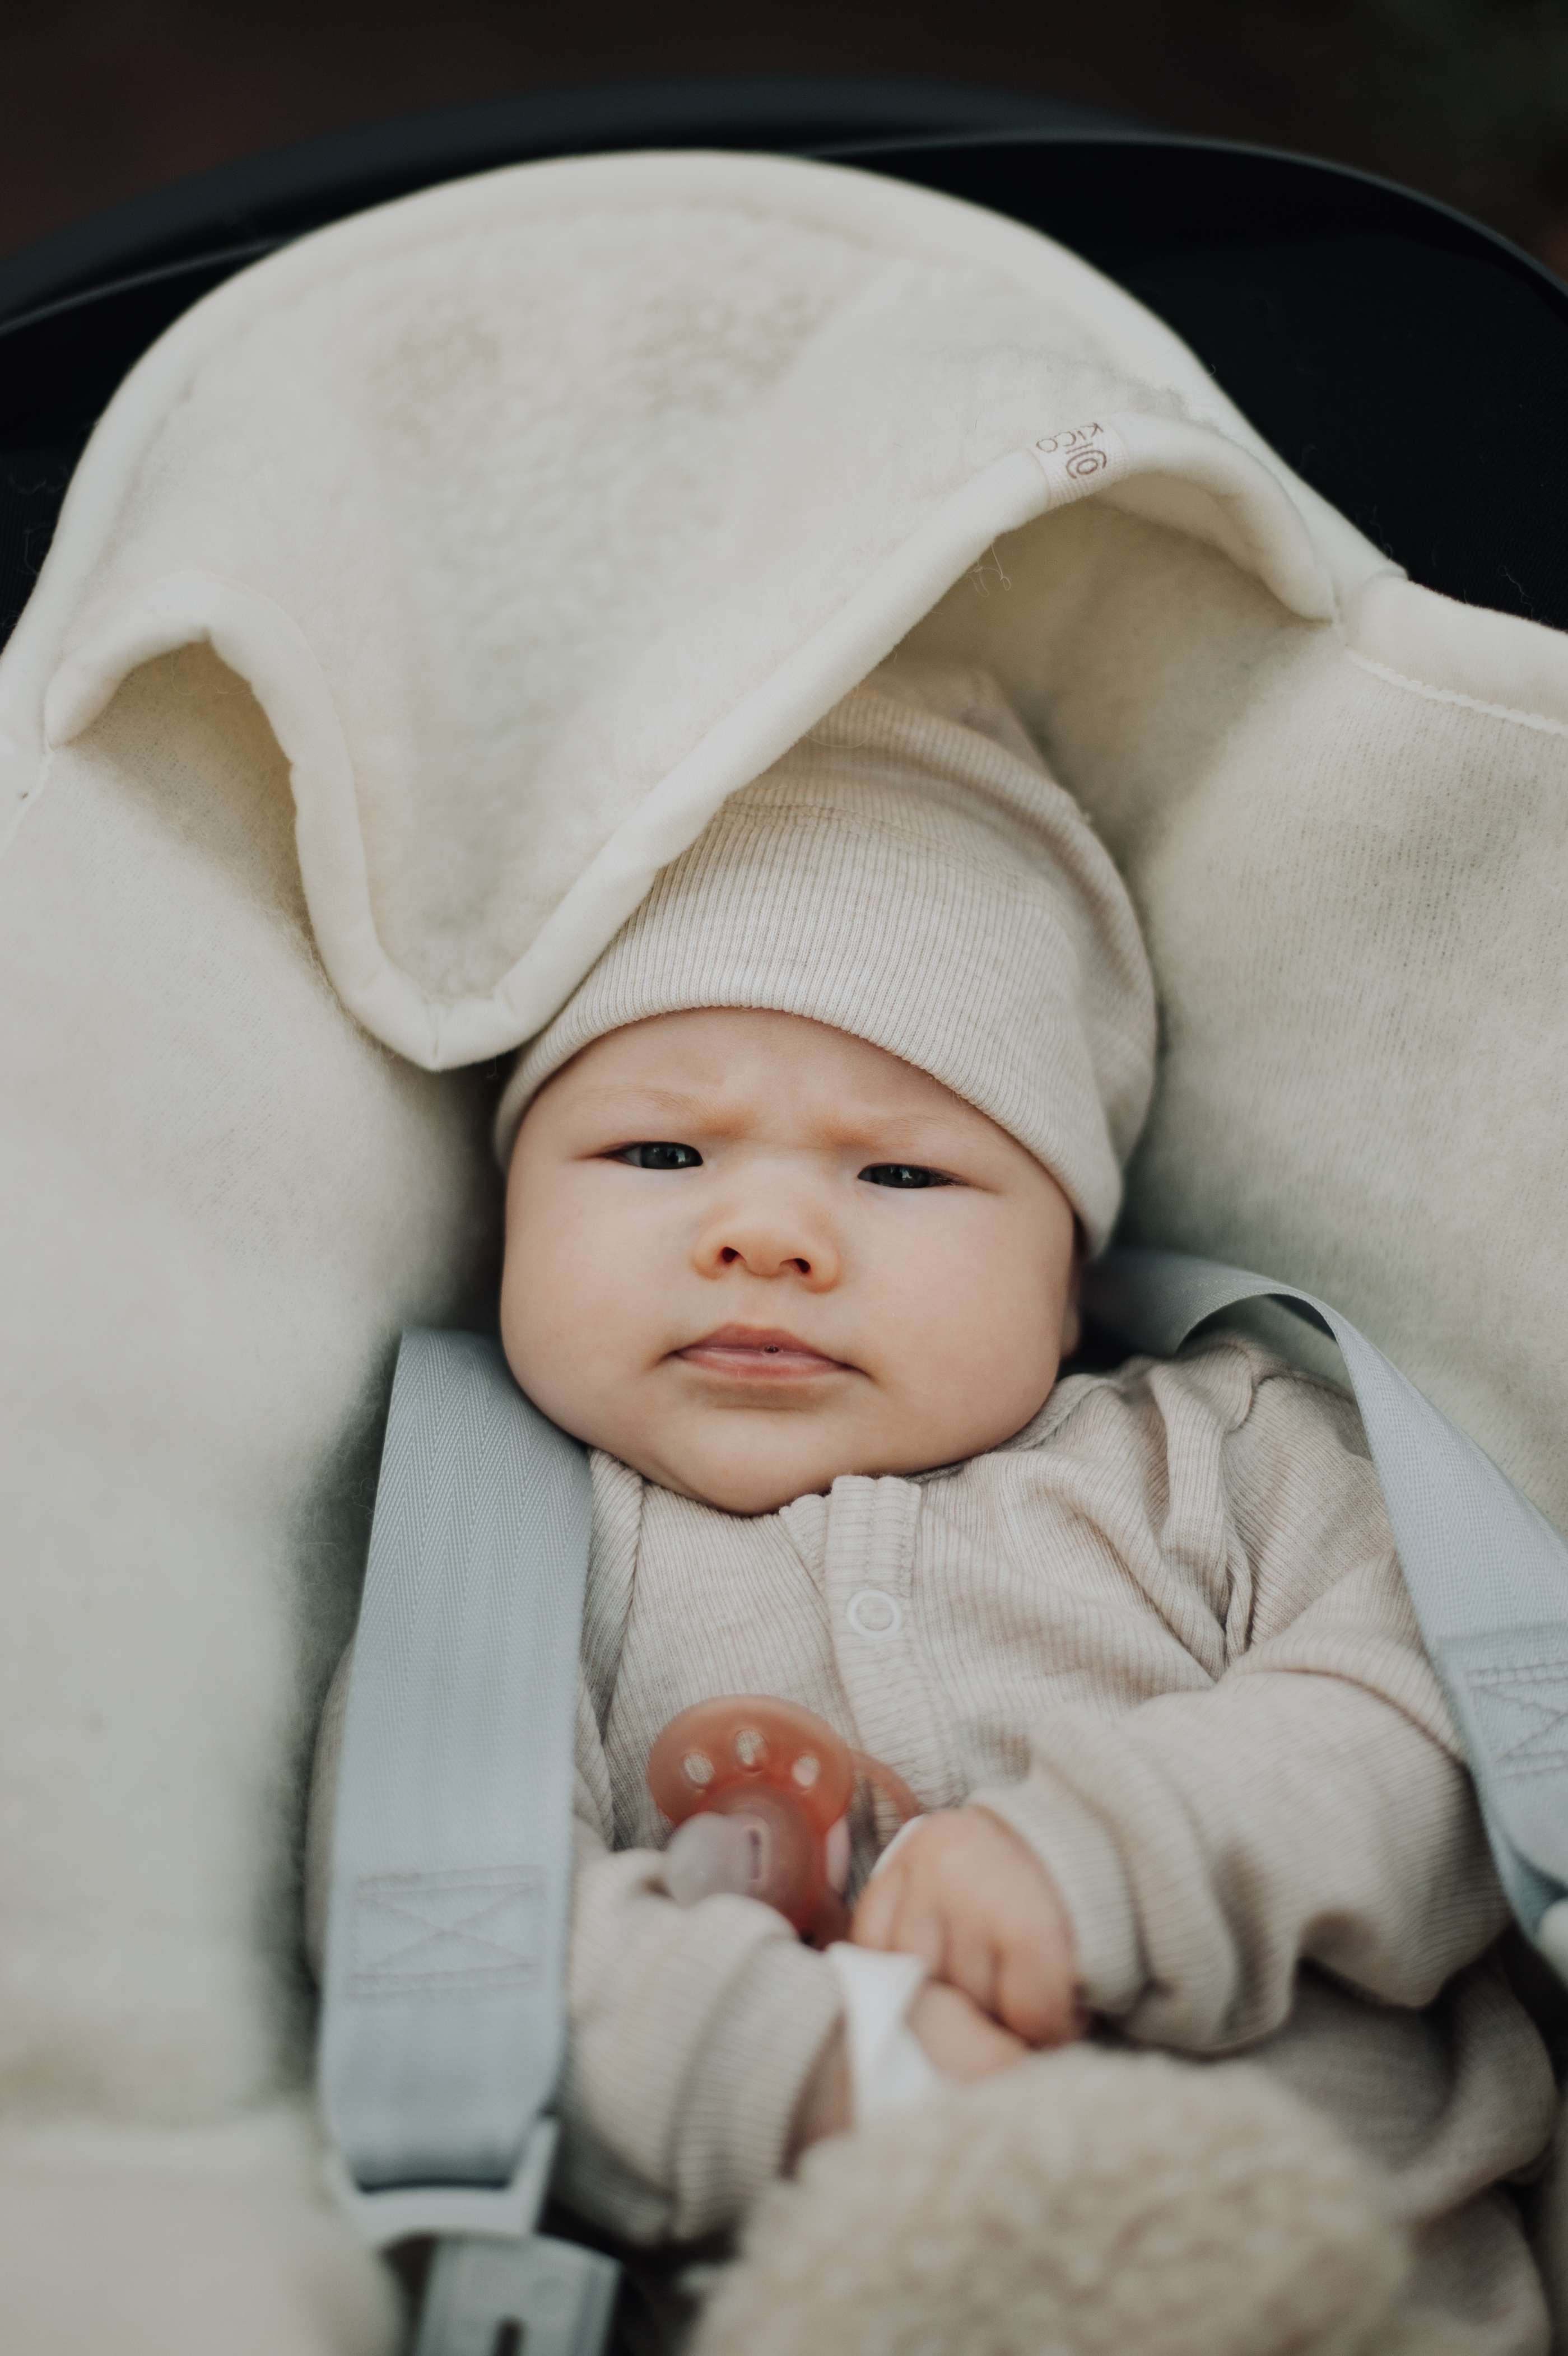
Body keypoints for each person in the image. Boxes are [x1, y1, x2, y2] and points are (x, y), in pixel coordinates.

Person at [308, 662, 1558, 2355]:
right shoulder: (513, 1562)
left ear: (1070, 1279)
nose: (764, 1232)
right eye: (656, 1154)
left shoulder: (1224, 1446)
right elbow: (460, 1919)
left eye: (900, 1173)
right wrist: (828, 2072)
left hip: (1369, 2285)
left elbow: (1440, 1722)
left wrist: (1105, 1861)